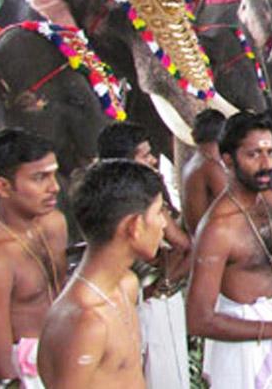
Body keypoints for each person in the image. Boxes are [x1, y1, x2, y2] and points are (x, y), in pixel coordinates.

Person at [186, 112, 272, 388]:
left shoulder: (271, 201)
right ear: (228, 160)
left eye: (270, 152)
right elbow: (197, 320)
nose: (266, 164)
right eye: (254, 154)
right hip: (245, 352)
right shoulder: (218, 229)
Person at [38, 159, 167, 388]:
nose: (164, 224)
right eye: (158, 212)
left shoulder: (127, 284)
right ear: (134, 226)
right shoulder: (84, 322)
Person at [97, 123, 192, 389]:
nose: (152, 160)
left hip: (118, 306)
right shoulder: (147, 201)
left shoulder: (97, 201)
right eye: (145, 155)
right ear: (125, 161)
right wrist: (165, 285)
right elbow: (185, 246)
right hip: (153, 304)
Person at [0, 130, 66, 386]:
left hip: (72, 356)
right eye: (40, 178)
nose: (54, 187)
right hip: (28, 376)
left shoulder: (55, 223)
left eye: (54, 174)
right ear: (3, 186)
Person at [180, 109, 228, 236]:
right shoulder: (210, 167)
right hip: (210, 239)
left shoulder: (194, 162)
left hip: (199, 236)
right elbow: (234, 204)